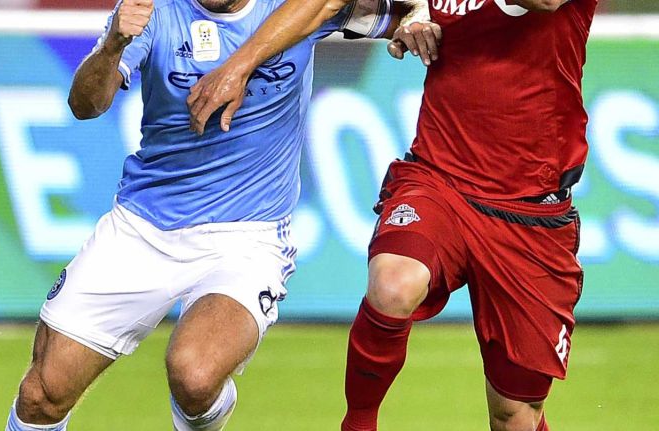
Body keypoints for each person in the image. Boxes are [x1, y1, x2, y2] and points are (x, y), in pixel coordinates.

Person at [4, 0, 437, 430]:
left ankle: (204, 415)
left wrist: (418, 18)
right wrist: (113, 45)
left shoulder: (300, 7)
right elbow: (86, 104)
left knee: (195, 375)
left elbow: (409, 19)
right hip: (142, 226)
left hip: (248, 237)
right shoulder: (155, 10)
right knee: (41, 395)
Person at [186, 0, 597, 430]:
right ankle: (358, 423)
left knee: (514, 414)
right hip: (440, 179)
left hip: (529, 211)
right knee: (394, 284)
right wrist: (415, 13)